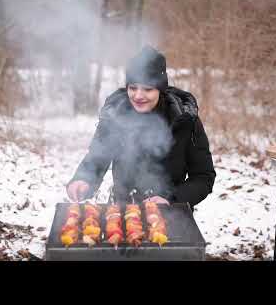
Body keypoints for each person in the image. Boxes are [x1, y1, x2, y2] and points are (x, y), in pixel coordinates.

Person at [66, 46, 216, 209]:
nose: (138, 96)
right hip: (123, 211)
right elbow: (97, 158)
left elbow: (203, 176)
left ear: (160, 89)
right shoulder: (114, 115)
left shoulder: (185, 120)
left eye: (148, 89)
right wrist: (83, 179)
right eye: (133, 87)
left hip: (171, 213)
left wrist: (172, 199)